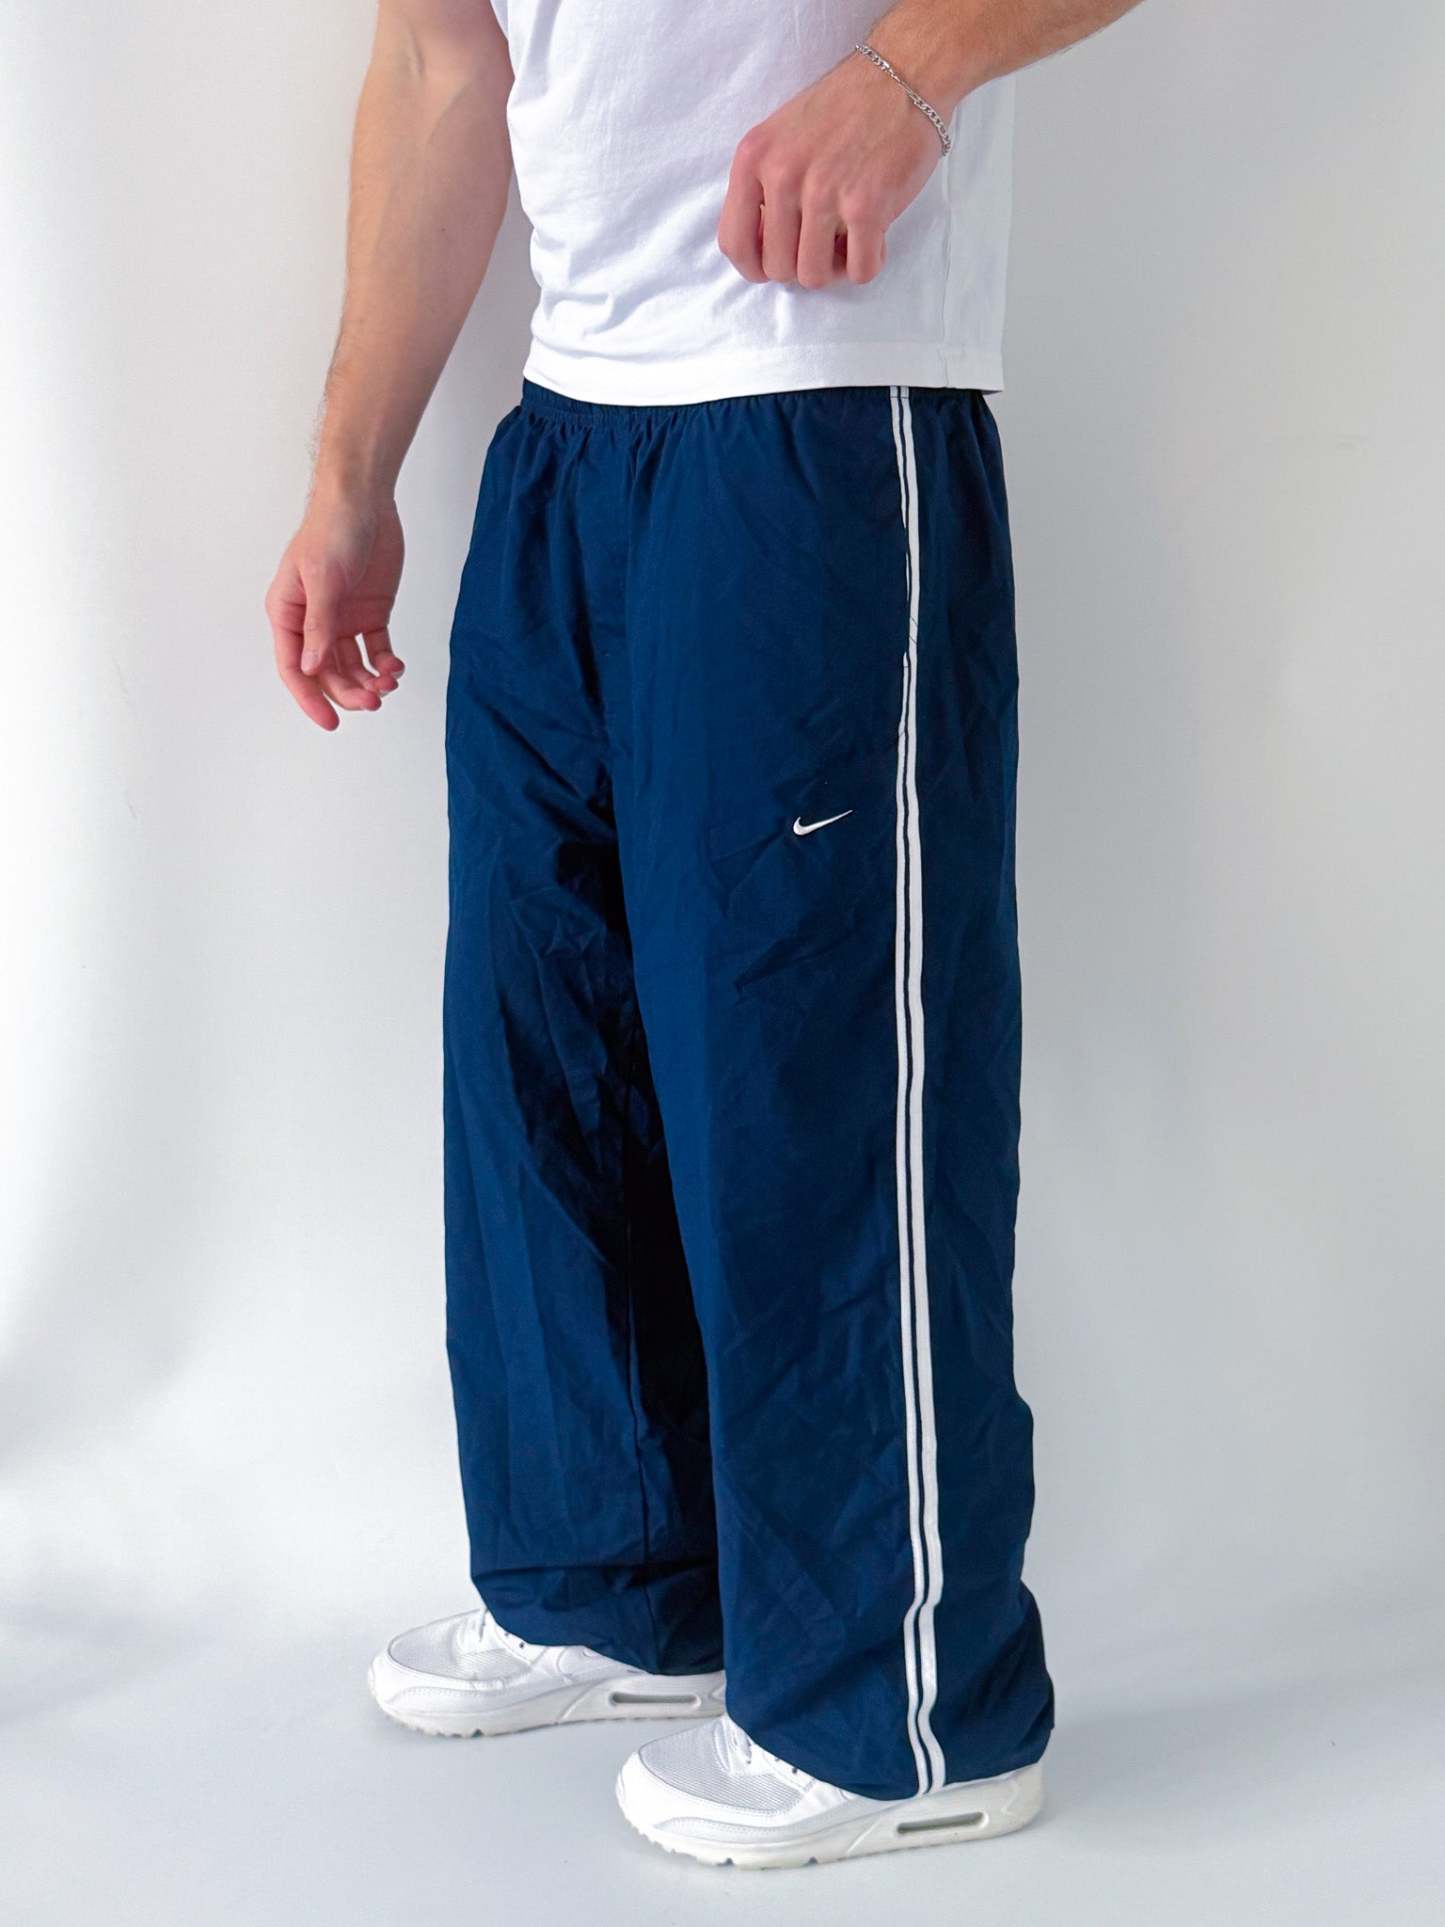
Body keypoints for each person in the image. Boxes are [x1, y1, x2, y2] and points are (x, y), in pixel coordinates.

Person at [266, 0, 1143, 1871]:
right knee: (546, 1054)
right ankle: (622, 1581)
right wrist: (350, 473)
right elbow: (439, 65)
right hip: (567, 438)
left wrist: (911, 74)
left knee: (812, 1088)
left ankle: (904, 1712)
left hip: (815, 401)